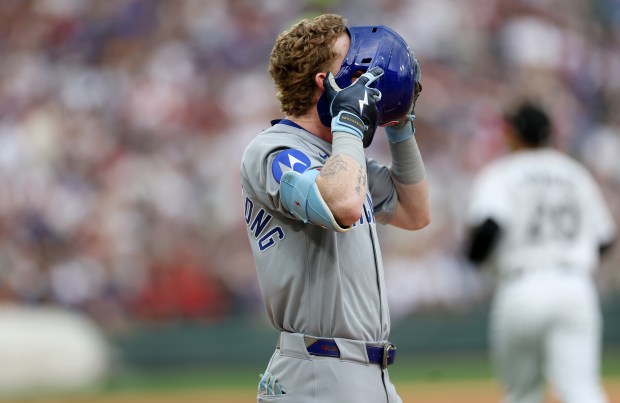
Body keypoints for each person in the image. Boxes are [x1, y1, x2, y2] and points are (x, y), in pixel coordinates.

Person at [240, 13, 429, 403]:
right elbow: (341, 203)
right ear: (325, 83)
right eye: (354, 61)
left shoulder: (341, 156)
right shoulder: (272, 149)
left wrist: (400, 123)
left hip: (369, 374)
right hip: (318, 373)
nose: (367, 69)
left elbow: (415, 211)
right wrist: (347, 121)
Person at [465, 101, 617, 403]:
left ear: (514, 135)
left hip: (522, 285)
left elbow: (488, 228)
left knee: (522, 393)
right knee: (581, 390)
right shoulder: (576, 173)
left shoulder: (502, 173)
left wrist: (475, 260)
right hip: (575, 285)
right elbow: (605, 239)